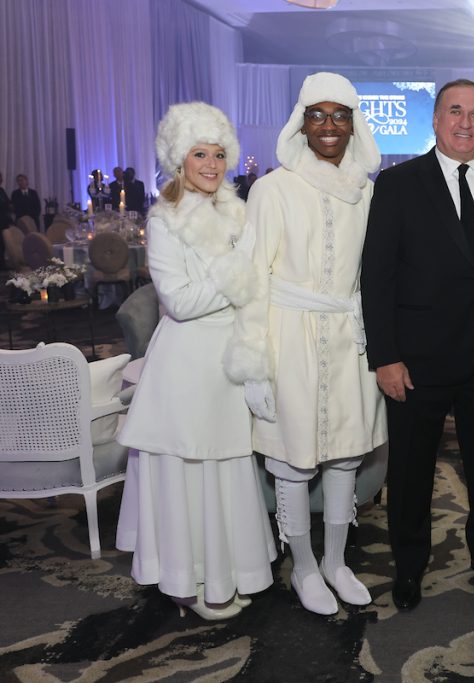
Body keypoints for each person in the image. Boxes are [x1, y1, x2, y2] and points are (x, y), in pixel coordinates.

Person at [361, 78, 474, 611]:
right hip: (417, 360)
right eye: (455, 111)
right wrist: (385, 356)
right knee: (411, 472)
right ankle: (410, 567)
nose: (466, 122)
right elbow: (378, 276)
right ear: (435, 121)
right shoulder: (398, 184)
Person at [233, 72, 386, 616]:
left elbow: (375, 272)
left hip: (348, 336)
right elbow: (251, 277)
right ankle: (302, 566)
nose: (329, 125)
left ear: (353, 124)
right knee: (293, 463)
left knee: (344, 458)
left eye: (340, 114)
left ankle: (336, 562)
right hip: (287, 337)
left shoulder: (367, 192)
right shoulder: (273, 188)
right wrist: (252, 364)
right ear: (301, 121)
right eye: (317, 114)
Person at [115, 102, 276, 620]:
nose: (211, 164)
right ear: (177, 158)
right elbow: (179, 302)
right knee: (190, 474)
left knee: (223, 472)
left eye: (219, 153)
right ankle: (187, 584)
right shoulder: (164, 219)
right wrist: (238, 271)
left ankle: (222, 574)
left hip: (227, 362)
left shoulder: (236, 210)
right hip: (186, 367)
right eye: (199, 153)